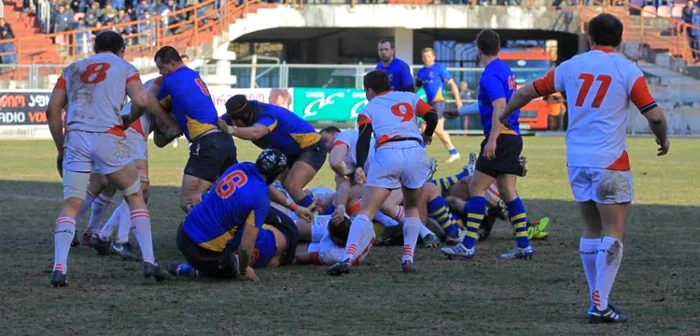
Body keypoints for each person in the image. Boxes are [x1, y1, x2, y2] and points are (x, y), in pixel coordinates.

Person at [498, 13, 670, 323]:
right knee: (614, 231)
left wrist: (504, 115)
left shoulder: (571, 66)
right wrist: (663, 140)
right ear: (619, 40)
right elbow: (654, 116)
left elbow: (525, 92)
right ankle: (600, 303)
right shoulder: (626, 69)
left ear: (590, 37)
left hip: (576, 159)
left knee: (591, 227)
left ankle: (597, 296)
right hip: (611, 161)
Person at [46, 31, 169, 287]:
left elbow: (52, 109)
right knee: (134, 195)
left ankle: (60, 267)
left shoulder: (72, 68)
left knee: (71, 203)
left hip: (77, 138)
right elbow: (141, 99)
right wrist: (128, 120)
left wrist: (61, 147)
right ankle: (149, 261)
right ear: (121, 49)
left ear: (95, 47)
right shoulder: (125, 67)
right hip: (107, 135)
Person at [327, 70, 438, 276]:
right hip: (414, 151)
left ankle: (348, 256)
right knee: (412, 207)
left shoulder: (368, 108)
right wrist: (427, 135)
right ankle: (407, 258)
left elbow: (363, 138)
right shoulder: (410, 97)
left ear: (369, 90)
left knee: (367, 211)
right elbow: (432, 115)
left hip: (387, 153)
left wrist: (359, 165)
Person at [440, 29, 534, 261]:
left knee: (476, 189)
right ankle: (523, 245)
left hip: (500, 137)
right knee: (508, 192)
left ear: (478, 49)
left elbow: (500, 107)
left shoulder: (490, 74)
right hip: (512, 137)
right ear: (498, 48)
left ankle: (468, 244)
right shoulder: (504, 69)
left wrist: (492, 139)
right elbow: (490, 104)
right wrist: (460, 111)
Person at [146, 46, 238, 213]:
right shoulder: (193, 75)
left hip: (207, 144)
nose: (161, 73)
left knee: (189, 201)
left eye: (162, 68)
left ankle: (207, 235)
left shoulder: (171, 80)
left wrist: (168, 122)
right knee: (231, 196)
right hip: (225, 142)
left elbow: (148, 99)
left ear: (173, 63)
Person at [175, 149, 288, 281]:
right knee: (235, 265)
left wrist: (293, 206)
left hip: (183, 232)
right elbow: (246, 248)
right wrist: (244, 269)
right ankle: (186, 270)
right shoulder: (261, 197)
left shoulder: (239, 167)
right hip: (202, 251)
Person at [217, 95, 326, 221]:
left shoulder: (267, 114)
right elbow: (216, 123)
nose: (234, 123)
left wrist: (231, 130)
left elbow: (256, 133)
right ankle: (306, 208)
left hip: (310, 147)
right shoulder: (240, 113)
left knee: (292, 186)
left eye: (236, 121)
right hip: (288, 152)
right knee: (274, 190)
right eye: (232, 121)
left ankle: (319, 222)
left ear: (246, 116)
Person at [416, 47, 463, 163]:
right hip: (430, 103)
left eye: (428, 56)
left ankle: (420, 154)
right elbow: (416, 88)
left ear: (433, 57)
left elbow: (452, 84)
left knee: (430, 126)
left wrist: (458, 100)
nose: (426, 58)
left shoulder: (439, 68)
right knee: (435, 129)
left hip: (439, 102)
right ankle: (454, 152)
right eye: (424, 56)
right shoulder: (421, 72)